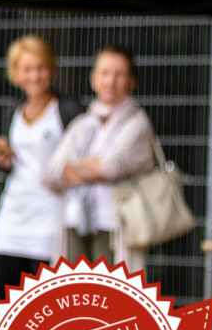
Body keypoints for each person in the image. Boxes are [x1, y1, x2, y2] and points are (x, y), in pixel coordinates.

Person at [44, 45, 157, 272]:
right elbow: (52, 172)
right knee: (73, 299)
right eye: (104, 73)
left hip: (113, 225)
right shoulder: (84, 123)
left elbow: (110, 167)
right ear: (94, 79)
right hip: (75, 221)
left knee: (109, 300)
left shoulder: (137, 123)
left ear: (132, 81)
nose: (110, 81)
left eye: (119, 74)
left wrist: (75, 167)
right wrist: (92, 169)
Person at [0, 36, 82, 299]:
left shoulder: (67, 110)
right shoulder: (13, 112)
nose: (35, 76)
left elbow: (82, 159)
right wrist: (4, 161)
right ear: (16, 74)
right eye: (27, 69)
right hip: (12, 217)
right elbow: (18, 162)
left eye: (41, 68)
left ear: (51, 69)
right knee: (6, 303)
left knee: (44, 304)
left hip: (50, 219)